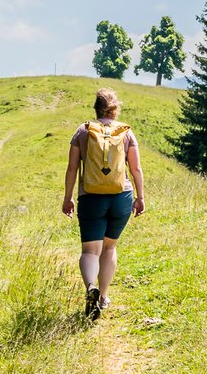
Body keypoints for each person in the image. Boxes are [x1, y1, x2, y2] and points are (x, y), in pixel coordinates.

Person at [62, 88, 145, 320]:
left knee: (90, 250)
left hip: (90, 197)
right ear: (115, 109)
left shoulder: (83, 130)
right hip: (121, 196)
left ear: (96, 108)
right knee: (109, 247)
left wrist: (68, 197)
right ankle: (103, 296)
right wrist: (140, 197)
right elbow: (136, 168)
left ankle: (91, 287)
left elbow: (72, 168)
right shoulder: (126, 132)